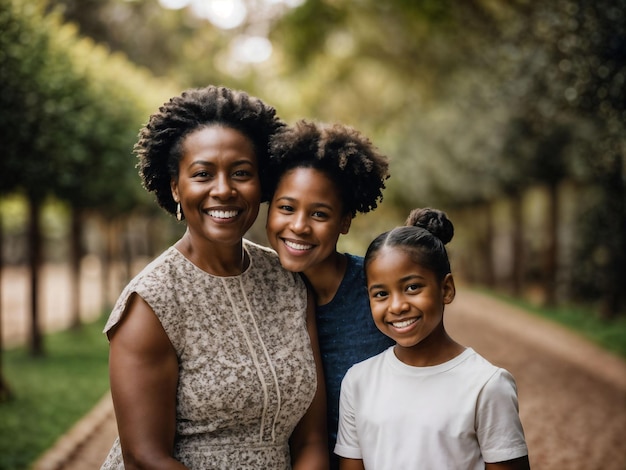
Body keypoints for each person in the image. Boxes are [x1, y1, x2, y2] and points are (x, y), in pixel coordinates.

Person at [100, 85, 328, 469]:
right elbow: (145, 457)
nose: (223, 190)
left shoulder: (289, 280)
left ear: (262, 184)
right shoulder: (152, 301)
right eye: (203, 174)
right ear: (176, 187)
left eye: (241, 173)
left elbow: (312, 437)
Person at [334, 208, 530, 470]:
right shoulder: (358, 381)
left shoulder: (487, 385)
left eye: (412, 287)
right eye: (381, 294)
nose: (397, 306)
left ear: (446, 289)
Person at [265, 120, 395, 469]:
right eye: (286, 208)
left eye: (319, 214)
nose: (299, 226)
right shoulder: (257, 289)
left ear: (345, 221)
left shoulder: (378, 292)